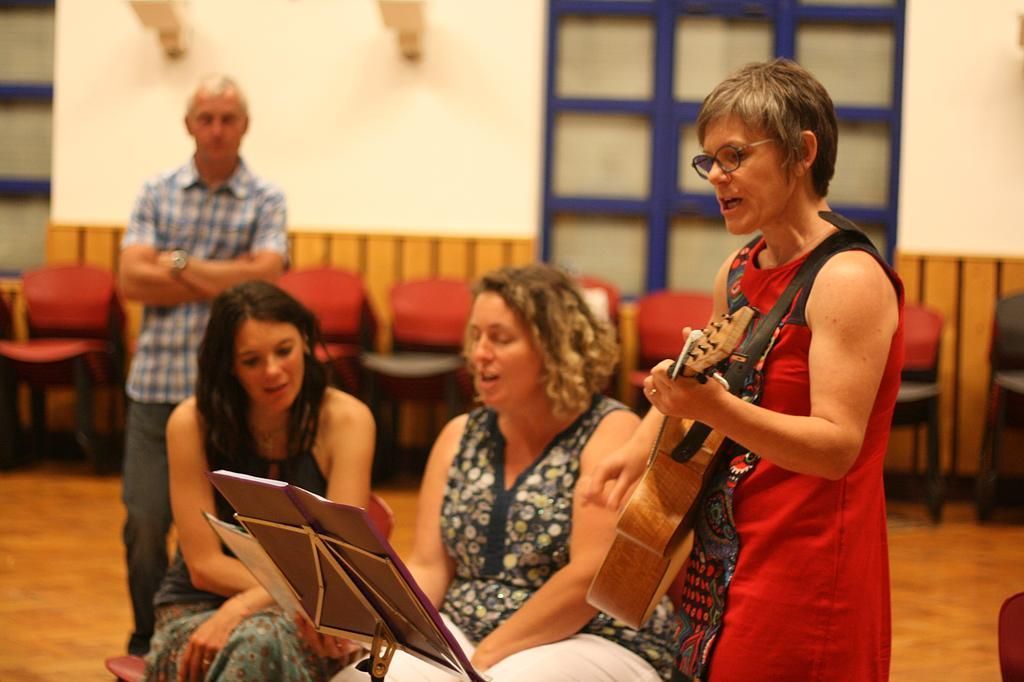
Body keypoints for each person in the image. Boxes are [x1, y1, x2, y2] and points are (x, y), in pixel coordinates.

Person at [585, 58, 904, 682]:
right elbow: (704, 379)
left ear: (802, 151)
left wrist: (709, 407)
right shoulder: (738, 268)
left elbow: (838, 447)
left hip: (807, 569)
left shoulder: (848, 278)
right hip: (723, 551)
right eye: (709, 162)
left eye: (734, 156)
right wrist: (638, 440)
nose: (717, 178)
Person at [318, 263, 675, 681]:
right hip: (465, 632)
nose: (478, 353)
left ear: (554, 348)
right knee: (363, 678)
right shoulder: (458, 435)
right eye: (475, 336)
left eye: (500, 339)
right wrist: (385, 630)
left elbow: (588, 581)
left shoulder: (610, 432)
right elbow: (430, 566)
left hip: (590, 636)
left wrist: (480, 662)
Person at [118, 75, 289, 656]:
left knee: (224, 532)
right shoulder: (155, 190)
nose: (217, 129)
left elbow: (266, 280)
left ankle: (221, 622)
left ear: (245, 125)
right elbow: (128, 279)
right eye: (206, 117)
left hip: (230, 396)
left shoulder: (266, 197)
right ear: (189, 124)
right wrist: (228, 274)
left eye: (228, 118)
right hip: (157, 387)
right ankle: (148, 635)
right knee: (144, 524)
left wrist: (178, 265)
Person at [144, 280, 375, 681]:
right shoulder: (191, 422)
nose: (273, 371)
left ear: (304, 339)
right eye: (251, 361)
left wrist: (247, 604)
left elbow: (340, 563)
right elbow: (203, 566)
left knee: (261, 641)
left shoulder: (347, 419)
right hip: (200, 609)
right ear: (229, 365)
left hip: (309, 615)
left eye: (284, 351)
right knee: (259, 642)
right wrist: (253, 604)